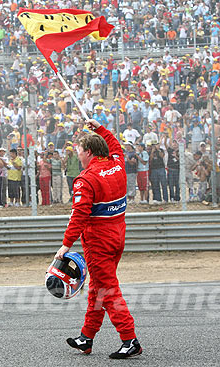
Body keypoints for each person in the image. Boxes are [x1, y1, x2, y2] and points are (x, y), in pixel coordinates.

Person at [55, 118, 141, 360]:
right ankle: (87, 337)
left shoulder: (86, 179)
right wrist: (100, 128)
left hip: (98, 243)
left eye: (79, 151)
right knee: (97, 288)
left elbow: (78, 216)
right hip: (118, 236)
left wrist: (65, 245)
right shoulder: (117, 163)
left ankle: (129, 339)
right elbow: (114, 145)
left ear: (89, 152)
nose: (77, 155)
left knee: (108, 290)